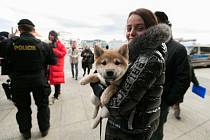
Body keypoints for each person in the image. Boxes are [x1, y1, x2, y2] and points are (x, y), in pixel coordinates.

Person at [90, 8, 171, 140]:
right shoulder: (135, 51)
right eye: (129, 28)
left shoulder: (149, 58)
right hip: (127, 126)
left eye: (139, 28)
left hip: (129, 130)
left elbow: (118, 105)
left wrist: (96, 85)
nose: (131, 33)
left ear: (151, 29)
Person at [0, 19, 57, 139]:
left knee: (22, 108)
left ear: (19, 29)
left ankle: (26, 133)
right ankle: (44, 129)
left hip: (18, 81)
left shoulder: (11, 43)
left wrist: (11, 38)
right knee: (42, 106)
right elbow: (53, 61)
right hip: (39, 80)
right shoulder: (42, 45)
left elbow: (2, 51)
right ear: (33, 30)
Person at [150, 11, 191, 140]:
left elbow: (183, 79)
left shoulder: (177, 49)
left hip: (160, 105)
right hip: (142, 104)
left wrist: (167, 101)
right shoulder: (149, 46)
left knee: (155, 135)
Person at [173, 55, 199, 120]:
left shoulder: (186, 65)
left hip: (182, 86)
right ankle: (176, 110)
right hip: (180, 85)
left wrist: (196, 83)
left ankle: (175, 107)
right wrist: (196, 83)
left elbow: (192, 76)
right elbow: (192, 76)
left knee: (177, 98)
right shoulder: (180, 65)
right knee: (177, 99)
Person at [48, 30, 67, 104]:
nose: (50, 36)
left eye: (52, 35)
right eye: (49, 35)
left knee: (57, 81)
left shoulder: (60, 44)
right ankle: (58, 92)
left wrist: (54, 50)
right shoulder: (49, 43)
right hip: (51, 65)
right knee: (54, 80)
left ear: (55, 36)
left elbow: (63, 53)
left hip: (57, 65)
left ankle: (56, 95)